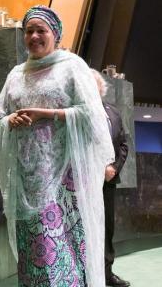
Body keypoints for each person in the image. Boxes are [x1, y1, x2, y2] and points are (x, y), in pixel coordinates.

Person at [0, 5, 115, 286]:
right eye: (28, 31)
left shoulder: (72, 67)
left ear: (55, 34)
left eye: (40, 30)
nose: (33, 36)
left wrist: (47, 114)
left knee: (64, 248)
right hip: (27, 178)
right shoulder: (16, 74)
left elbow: (92, 115)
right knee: (33, 250)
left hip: (64, 178)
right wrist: (12, 119)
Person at [91, 69, 130, 287]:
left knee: (107, 228)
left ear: (101, 90)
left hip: (108, 182)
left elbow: (123, 144)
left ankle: (107, 274)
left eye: (95, 87)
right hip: (85, 182)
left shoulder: (113, 112)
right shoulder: (80, 113)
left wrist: (114, 168)